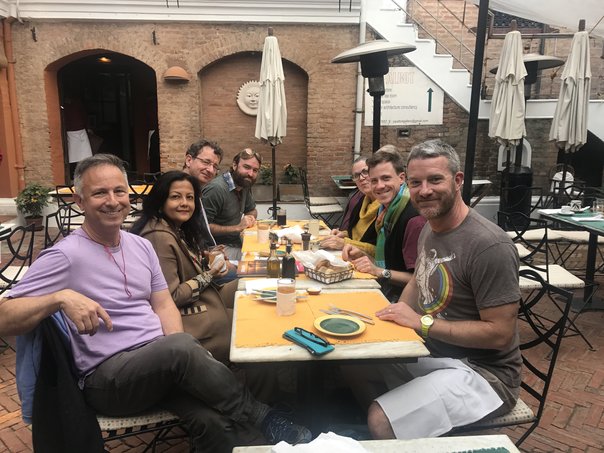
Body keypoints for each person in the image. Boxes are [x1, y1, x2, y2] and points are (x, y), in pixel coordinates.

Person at [0, 154, 311, 452]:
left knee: (212, 420)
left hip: (160, 367)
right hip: (108, 379)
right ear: (80, 201)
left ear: (130, 196)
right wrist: (59, 298)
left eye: (119, 191)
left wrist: (188, 358)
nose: (112, 200)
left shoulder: (140, 246)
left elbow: (163, 305)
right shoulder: (65, 255)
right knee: (182, 349)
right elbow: (4, 315)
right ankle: (264, 417)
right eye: (99, 193)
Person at [366, 139, 521, 440]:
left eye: (435, 179)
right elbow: (417, 279)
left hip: (484, 375)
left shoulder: (489, 245)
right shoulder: (430, 226)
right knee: (351, 365)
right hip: (433, 352)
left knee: (380, 420)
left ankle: (398, 433)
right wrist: (398, 313)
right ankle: (408, 437)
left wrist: (421, 322)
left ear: (458, 180)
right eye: (416, 183)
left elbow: (500, 333)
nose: (424, 191)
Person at [130, 171, 236, 364]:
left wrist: (206, 257)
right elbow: (172, 296)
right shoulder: (159, 236)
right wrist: (209, 274)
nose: (185, 203)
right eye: (176, 197)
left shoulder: (175, 227)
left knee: (248, 287)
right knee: (245, 326)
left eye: (190, 197)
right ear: (160, 200)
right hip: (192, 318)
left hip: (207, 300)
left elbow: (184, 264)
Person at [342, 147, 426, 302]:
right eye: (374, 180)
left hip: (402, 301)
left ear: (401, 178)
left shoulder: (413, 220)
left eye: (386, 178)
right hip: (385, 290)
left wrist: (379, 271)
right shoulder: (385, 211)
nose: (379, 186)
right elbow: (388, 262)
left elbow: (420, 280)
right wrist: (362, 254)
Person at [182, 139, 238, 283]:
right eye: (206, 162)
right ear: (189, 160)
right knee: (248, 275)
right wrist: (209, 271)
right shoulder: (181, 193)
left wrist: (210, 253)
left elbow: (192, 238)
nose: (211, 170)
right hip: (192, 278)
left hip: (203, 262)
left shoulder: (195, 192)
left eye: (215, 166)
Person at [202, 148, 260, 260]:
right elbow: (203, 227)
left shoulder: (244, 184)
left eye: (255, 170)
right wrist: (237, 228)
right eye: (246, 167)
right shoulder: (216, 189)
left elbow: (251, 210)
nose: (250, 174)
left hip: (237, 242)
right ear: (234, 165)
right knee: (257, 259)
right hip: (216, 249)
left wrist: (250, 218)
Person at [321, 156, 379, 254]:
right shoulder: (362, 201)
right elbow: (358, 234)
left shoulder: (385, 207)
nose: (361, 178)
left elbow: (382, 251)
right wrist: (344, 234)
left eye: (365, 172)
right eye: (356, 175)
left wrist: (345, 243)